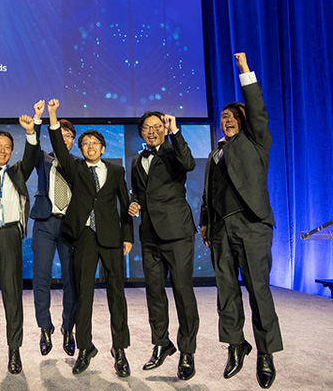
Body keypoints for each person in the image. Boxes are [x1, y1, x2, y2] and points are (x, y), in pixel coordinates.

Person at [200, 52, 282, 389]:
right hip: (221, 229)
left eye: (235, 116)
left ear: (245, 122)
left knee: (258, 290)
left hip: (251, 225)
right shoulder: (214, 153)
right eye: (224, 116)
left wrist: (245, 71)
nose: (228, 120)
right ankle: (236, 344)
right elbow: (208, 193)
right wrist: (206, 222)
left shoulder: (256, 142)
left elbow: (257, 110)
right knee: (226, 292)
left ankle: (266, 352)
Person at [47, 99, 133, 378]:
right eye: (85, 144)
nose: (90, 147)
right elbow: (59, 146)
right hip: (83, 237)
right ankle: (85, 348)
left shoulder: (117, 171)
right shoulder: (75, 168)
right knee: (83, 295)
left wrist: (128, 237)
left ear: (103, 148)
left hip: (111, 239)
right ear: (81, 150)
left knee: (116, 295)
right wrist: (52, 116)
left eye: (94, 143)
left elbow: (125, 205)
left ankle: (120, 349)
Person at [128, 111, 199, 380]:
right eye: (147, 127)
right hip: (149, 235)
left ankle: (187, 351)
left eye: (157, 126)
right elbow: (138, 192)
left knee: (182, 291)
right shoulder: (137, 160)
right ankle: (161, 344)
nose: (152, 131)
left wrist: (175, 131)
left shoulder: (173, 151)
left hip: (177, 232)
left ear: (165, 128)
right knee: (154, 293)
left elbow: (189, 163)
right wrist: (133, 203)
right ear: (141, 132)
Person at [0, 114, 39, 374]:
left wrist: (30, 132)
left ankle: (14, 350)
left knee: (12, 296)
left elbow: (31, 156)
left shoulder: (17, 172)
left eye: (7, 147)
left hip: (10, 236)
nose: (2, 150)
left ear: (12, 152)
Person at [29, 99, 77, 358]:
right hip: (45, 223)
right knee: (41, 278)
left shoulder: (78, 164)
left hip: (69, 226)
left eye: (69, 136)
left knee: (71, 280)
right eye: (61, 134)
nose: (64, 139)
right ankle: (44, 327)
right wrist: (38, 119)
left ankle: (68, 328)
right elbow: (32, 144)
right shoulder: (43, 160)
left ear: (73, 141)